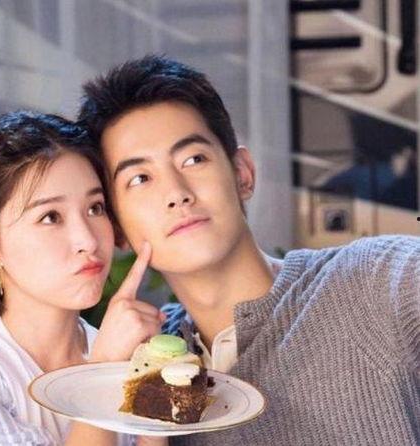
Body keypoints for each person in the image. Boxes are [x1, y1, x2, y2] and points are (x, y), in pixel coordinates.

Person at [77, 55, 420, 446]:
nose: (176, 193)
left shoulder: (375, 280)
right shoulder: (147, 360)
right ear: (116, 228)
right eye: (140, 178)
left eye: (193, 159)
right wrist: (104, 373)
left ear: (242, 173)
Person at [0, 110, 167, 446]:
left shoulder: (125, 354)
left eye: (95, 208)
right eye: (50, 217)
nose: (88, 240)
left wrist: (154, 402)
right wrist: (103, 368)